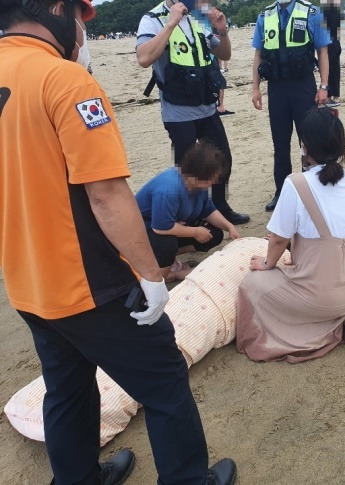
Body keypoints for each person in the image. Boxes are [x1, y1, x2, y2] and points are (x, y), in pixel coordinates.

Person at [0, 1, 237, 484]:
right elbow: (107, 193)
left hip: (28, 278)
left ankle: (79, 478)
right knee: (164, 381)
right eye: (80, 17)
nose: (83, 31)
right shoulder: (64, 80)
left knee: (67, 387)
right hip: (90, 280)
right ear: (54, 8)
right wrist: (151, 275)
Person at [236, 107, 345, 363]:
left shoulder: (296, 183)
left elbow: (278, 239)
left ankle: (328, 322)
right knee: (324, 281)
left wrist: (267, 264)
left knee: (252, 283)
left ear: (304, 146)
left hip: (323, 293)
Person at [136, 0, 250, 225]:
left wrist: (222, 30)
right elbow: (144, 58)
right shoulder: (152, 19)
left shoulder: (198, 18)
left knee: (222, 159)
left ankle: (220, 207)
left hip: (206, 107)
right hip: (178, 111)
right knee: (186, 171)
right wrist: (171, 23)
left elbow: (224, 55)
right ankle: (189, 219)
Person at [251, 0, 331, 212]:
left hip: (303, 86)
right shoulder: (264, 16)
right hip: (276, 89)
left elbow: (323, 51)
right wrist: (255, 88)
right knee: (280, 143)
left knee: (308, 141)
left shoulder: (312, 13)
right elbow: (258, 55)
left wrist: (324, 86)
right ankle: (282, 192)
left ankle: (312, 189)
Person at [136, 141, 241, 282]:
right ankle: (161, 279)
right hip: (145, 230)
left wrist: (229, 227)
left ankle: (169, 258)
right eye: (213, 178)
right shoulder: (169, 189)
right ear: (199, 175)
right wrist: (196, 232)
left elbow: (208, 210)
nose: (215, 182)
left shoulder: (198, 185)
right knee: (167, 244)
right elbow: (161, 228)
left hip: (173, 224)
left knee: (214, 233)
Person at [322, 0, 342, 106]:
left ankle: (334, 95)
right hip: (331, 42)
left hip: (332, 42)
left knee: (332, 69)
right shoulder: (327, 10)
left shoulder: (332, 11)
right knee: (331, 69)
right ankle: (331, 95)